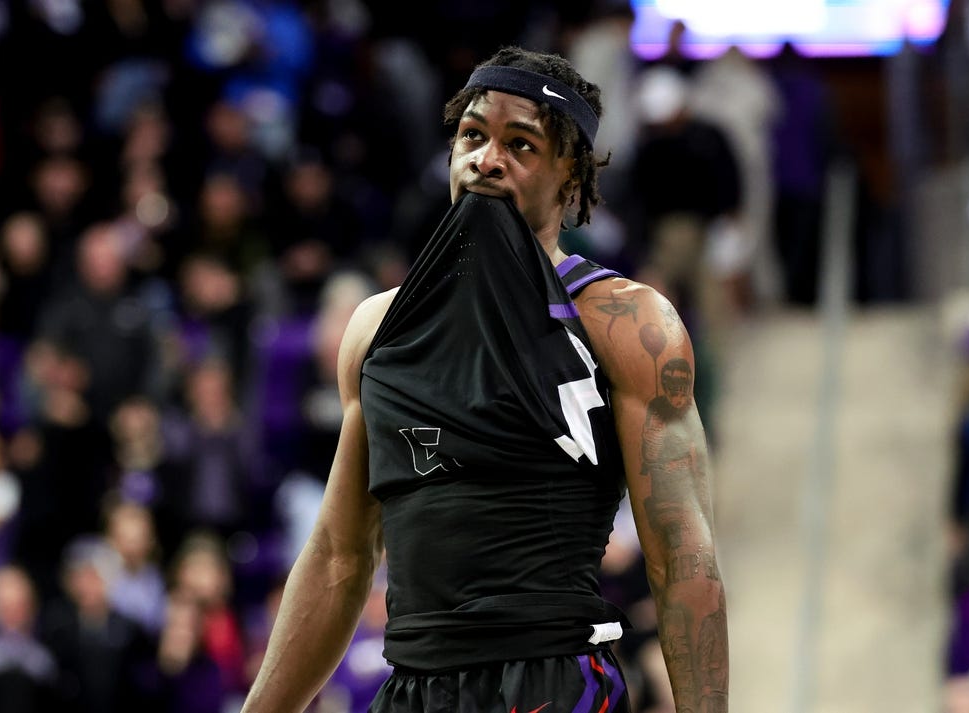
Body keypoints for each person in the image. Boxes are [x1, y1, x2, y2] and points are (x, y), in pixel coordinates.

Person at [241, 46, 727, 712]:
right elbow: (337, 556)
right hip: (413, 688)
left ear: (570, 177)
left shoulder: (627, 323)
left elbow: (681, 560)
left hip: (553, 682)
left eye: (520, 143)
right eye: (472, 135)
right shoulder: (375, 330)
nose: (485, 159)